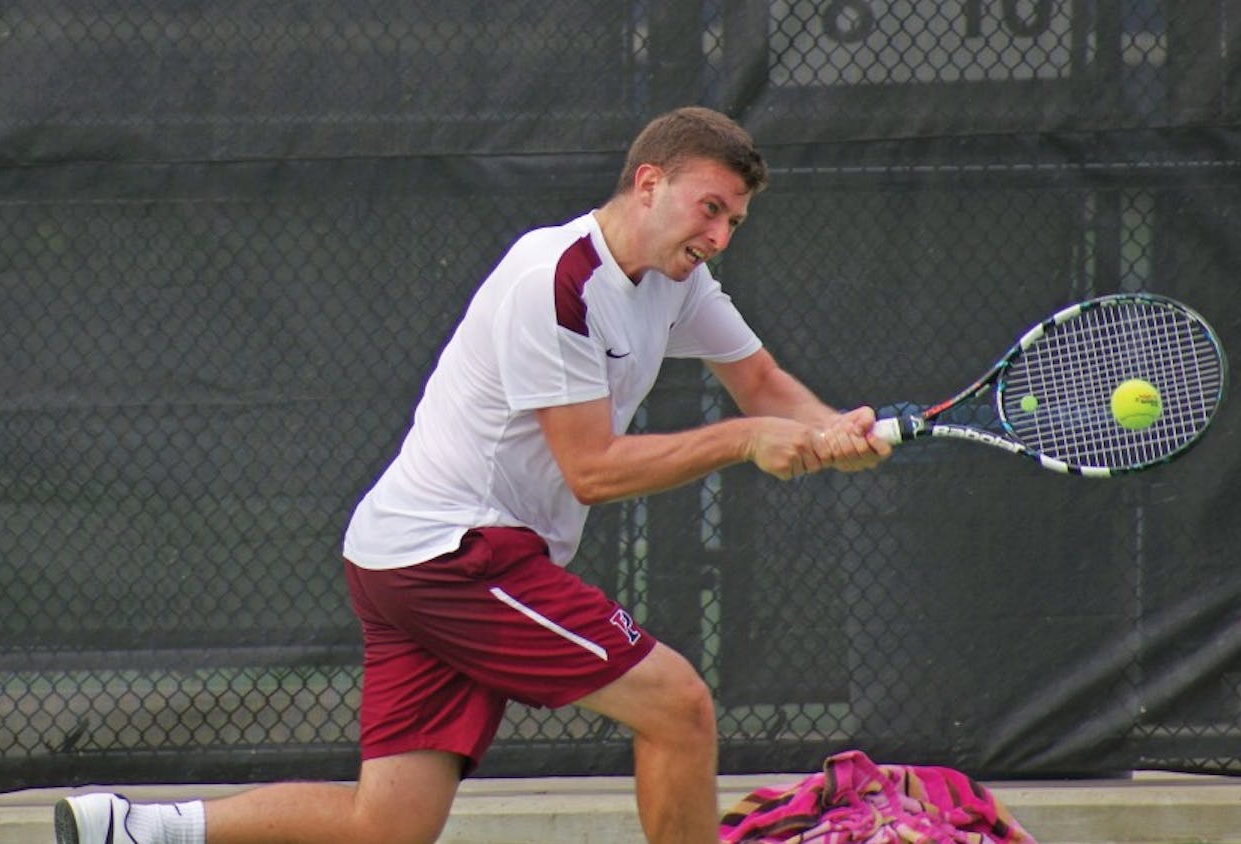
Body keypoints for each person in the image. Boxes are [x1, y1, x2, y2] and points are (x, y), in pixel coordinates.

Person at [56, 106, 892, 844]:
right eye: (711, 209)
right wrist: (746, 440)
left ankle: (138, 829)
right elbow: (593, 470)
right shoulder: (556, 282)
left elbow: (762, 382)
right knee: (679, 705)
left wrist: (833, 429)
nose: (720, 236)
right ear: (649, 184)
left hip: (401, 556)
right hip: (453, 555)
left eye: (734, 221)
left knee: (388, 826)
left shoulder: (679, 282)